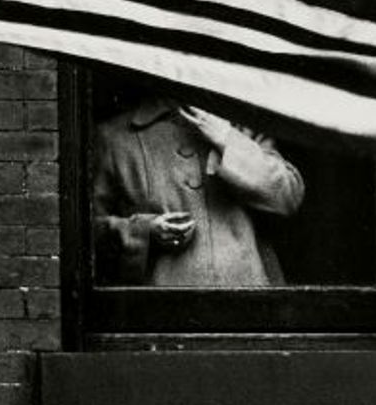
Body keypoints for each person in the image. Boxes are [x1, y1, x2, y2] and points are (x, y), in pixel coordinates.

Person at [92, 96, 304, 286]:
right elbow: (88, 232)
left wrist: (227, 139)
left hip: (249, 303)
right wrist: (145, 231)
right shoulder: (114, 136)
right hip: (160, 307)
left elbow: (288, 196)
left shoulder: (245, 126)